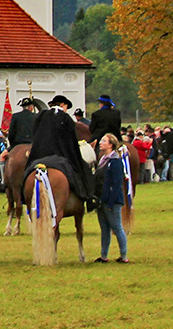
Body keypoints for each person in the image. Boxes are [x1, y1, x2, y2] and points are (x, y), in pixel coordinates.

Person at [29, 93, 93, 201]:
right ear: (63, 105)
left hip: (40, 153)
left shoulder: (41, 115)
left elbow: (35, 135)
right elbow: (71, 141)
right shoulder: (66, 118)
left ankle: (21, 195)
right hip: (60, 154)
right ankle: (88, 197)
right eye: (66, 107)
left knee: (27, 168)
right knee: (84, 169)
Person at [93, 135, 133, 263]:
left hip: (112, 200)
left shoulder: (115, 161)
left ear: (110, 145)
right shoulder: (103, 160)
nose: (100, 143)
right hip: (101, 199)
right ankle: (104, 255)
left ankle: (124, 256)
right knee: (104, 229)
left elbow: (116, 184)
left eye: (103, 141)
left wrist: (110, 201)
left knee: (117, 227)